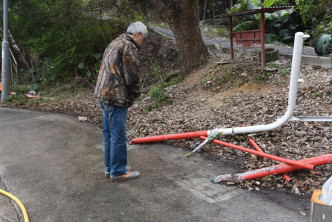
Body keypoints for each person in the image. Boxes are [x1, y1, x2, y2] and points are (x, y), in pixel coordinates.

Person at [94, 21, 147, 182]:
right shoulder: (128, 47)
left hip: (103, 95)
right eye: (143, 38)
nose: (142, 42)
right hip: (117, 97)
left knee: (109, 134)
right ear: (137, 34)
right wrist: (137, 93)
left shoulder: (115, 42)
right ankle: (118, 171)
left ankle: (110, 168)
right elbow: (131, 76)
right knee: (118, 136)